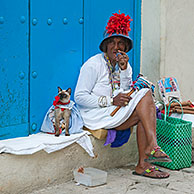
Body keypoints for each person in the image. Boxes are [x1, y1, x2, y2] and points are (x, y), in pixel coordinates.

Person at [74, 12, 171, 179]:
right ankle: (151, 149)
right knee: (145, 102)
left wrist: (125, 70)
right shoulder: (93, 64)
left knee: (145, 100)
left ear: (125, 48)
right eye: (112, 42)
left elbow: (126, 91)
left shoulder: (123, 65)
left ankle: (143, 164)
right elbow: (79, 97)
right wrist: (110, 100)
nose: (116, 47)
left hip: (114, 112)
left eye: (120, 43)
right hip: (95, 115)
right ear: (105, 47)